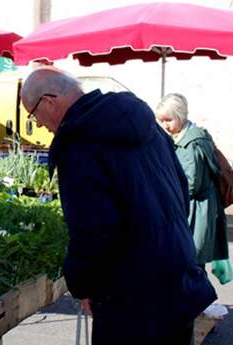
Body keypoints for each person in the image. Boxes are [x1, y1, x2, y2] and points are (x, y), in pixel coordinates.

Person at [20, 67, 216, 345]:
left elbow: (94, 230)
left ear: (48, 101)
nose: (38, 124)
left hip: (130, 299)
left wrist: (83, 285)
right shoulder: (143, 123)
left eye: (33, 114)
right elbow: (180, 190)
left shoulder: (79, 143)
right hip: (176, 281)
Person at [155, 94, 229, 271]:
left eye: (168, 120)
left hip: (195, 209)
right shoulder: (192, 135)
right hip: (197, 208)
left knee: (191, 260)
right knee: (192, 260)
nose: (165, 126)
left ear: (180, 115)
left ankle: (196, 297)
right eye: (162, 121)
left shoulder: (190, 145)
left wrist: (164, 195)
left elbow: (190, 184)